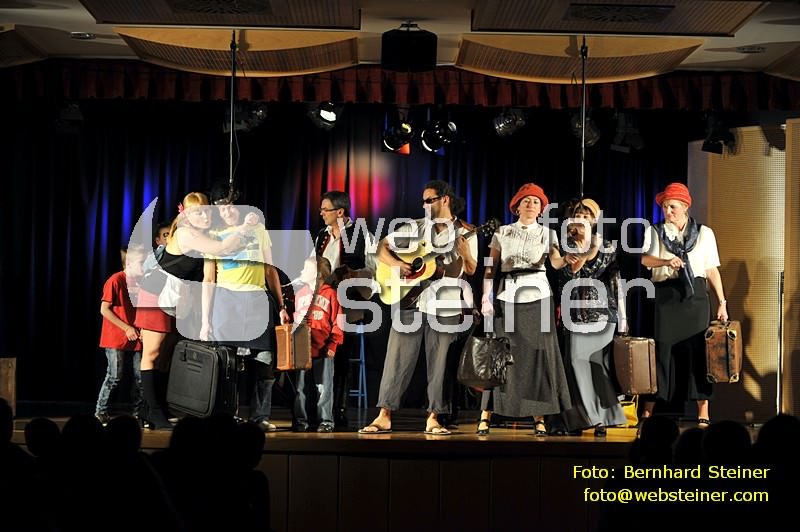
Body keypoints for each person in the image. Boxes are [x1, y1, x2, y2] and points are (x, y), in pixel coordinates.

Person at [360, 180, 477, 435]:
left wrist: (466, 253)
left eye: (429, 200)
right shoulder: (415, 227)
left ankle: (434, 417)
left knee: (440, 364)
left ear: (445, 199)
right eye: (423, 201)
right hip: (411, 300)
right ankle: (384, 415)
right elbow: (381, 248)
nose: (424, 205)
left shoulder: (466, 231)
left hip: (445, 304)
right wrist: (398, 265)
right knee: (396, 359)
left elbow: (470, 269)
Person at [134, 191, 255, 429]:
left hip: (177, 298)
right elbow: (221, 248)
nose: (205, 216)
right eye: (198, 212)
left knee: (166, 356)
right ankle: (151, 410)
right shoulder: (185, 233)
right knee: (152, 353)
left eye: (207, 211)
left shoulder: (204, 236)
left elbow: (209, 277)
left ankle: (156, 407)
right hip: (157, 293)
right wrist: (243, 228)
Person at [478, 183, 571, 436]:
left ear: (541, 209)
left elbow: (555, 262)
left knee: (537, 357)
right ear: (517, 206)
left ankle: (539, 417)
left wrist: (567, 259)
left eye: (536, 202)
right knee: (500, 356)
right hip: (507, 296)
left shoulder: (548, 234)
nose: (531, 205)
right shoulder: (502, 232)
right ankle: (486, 414)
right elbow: (490, 267)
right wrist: (486, 296)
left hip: (538, 296)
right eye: (526, 201)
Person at [200, 185, 290, 432]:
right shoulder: (213, 236)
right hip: (226, 303)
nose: (227, 212)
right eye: (222, 208)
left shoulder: (257, 229)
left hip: (257, 301)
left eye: (230, 206)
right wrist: (206, 320)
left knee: (265, 363)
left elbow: (270, 270)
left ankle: (260, 416)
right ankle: (227, 416)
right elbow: (209, 279)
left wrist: (281, 306)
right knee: (228, 367)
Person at [640, 182, 727, 427]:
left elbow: (711, 270)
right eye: (665, 207)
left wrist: (722, 302)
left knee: (699, 354)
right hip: (667, 295)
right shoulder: (655, 231)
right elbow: (645, 259)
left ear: (686, 206)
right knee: (661, 352)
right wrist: (666, 261)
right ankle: (648, 410)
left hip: (695, 296)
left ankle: (703, 410)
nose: (668, 211)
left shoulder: (704, 233)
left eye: (673, 207)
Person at [555, 198, 627, 436]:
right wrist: (584, 252)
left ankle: (601, 418)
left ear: (595, 220)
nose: (582, 219)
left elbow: (615, 281)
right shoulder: (565, 246)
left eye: (587, 216)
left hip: (602, 313)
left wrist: (623, 317)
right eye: (578, 215)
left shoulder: (607, 246)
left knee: (597, 365)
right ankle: (586, 419)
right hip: (575, 312)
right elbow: (568, 276)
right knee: (575, 362)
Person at [314, 190, 377, 428]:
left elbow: (371, 269)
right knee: (319, 352)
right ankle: (317, 409)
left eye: (326, 209)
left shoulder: (360, 233)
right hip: (325, 303)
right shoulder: (322, 235)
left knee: (340, 356)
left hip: (349, 302)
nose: (321, 213)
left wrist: (349, 275)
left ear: (340, 212)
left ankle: (338, 409)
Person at [292, 256, 344, 432]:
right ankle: (301, 420)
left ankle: (326, 421)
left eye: (306, 269)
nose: (301, 272)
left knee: (323, 388)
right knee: (300, 388)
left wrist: (333, 345)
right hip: (302, 350)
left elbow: (338, 322)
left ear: (318, 274)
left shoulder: (331, 295)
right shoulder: (300, 294)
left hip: (323, 349)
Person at [95, 246, 146, 425]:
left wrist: (143, 328)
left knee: (141, 378)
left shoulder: (142, 282)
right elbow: (104, 309)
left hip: (137, 336)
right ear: (129, 263)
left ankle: (138, 413)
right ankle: (100, 411)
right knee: (114, 376)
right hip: (116, 337)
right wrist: (126, 328)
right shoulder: (115, 280)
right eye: (141, 262)